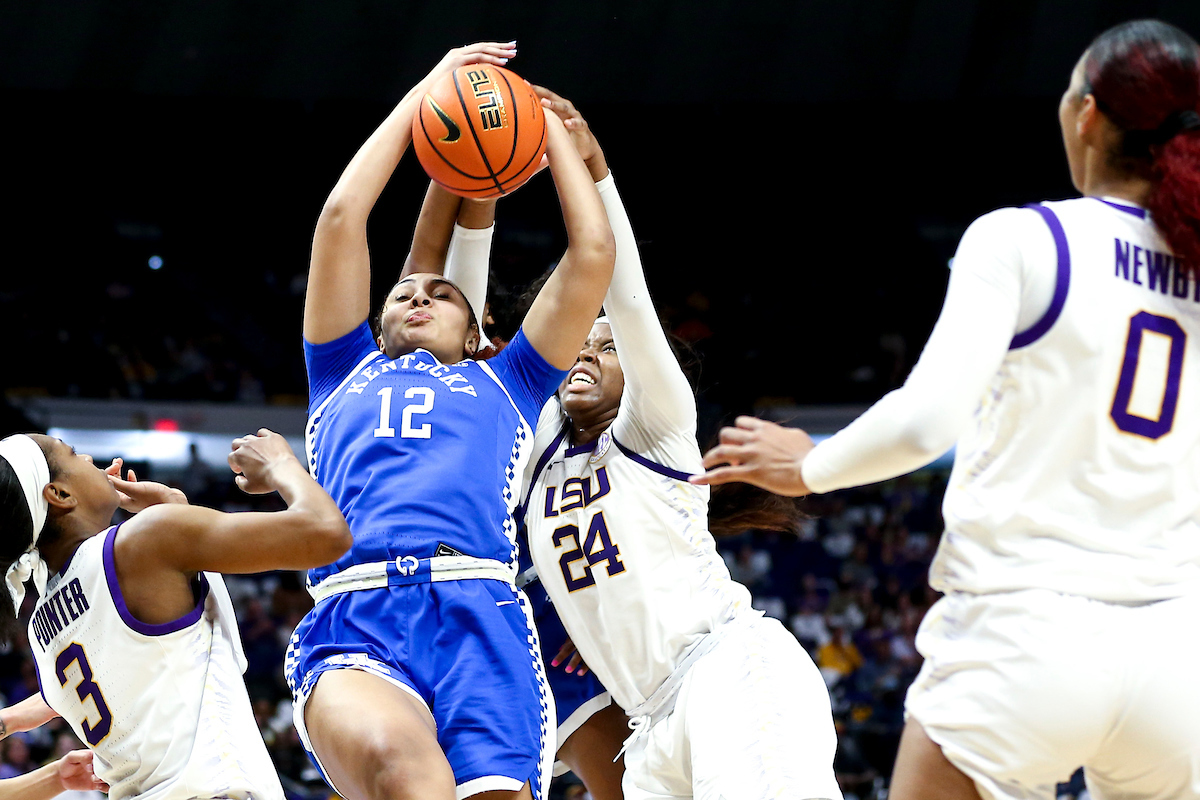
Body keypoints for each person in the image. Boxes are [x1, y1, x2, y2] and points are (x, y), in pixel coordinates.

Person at [696, 18, 1200, 800]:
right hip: (1176, 654)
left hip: (1026, 635)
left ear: (1088, 115)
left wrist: (809, 466)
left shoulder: (1027, 239)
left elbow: (927, 423)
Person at [443, 88, 842, 800]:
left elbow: (626, 298)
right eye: (577, 345)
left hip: (730, 675)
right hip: (652, 727)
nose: (586, 353)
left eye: (606, 347)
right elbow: (459, 332)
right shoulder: (536, 460)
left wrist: (595, 173)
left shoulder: (656, 429)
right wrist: (476, 196)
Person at [289, 42, 615, 800]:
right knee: (407, 775)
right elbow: (342, 217)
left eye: (443, 294)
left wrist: (551, 134)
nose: (419, 294)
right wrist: (428, 92)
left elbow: (591, 254)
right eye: (405, 293)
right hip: (358, 607)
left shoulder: (510, 381)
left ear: (477, 336)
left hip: (481, 611)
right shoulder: (342, 371)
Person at [0, 429, 351, 800]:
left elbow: (148, 669)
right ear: (59, 495)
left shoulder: (41, 626)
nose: (88, 459)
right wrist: (281, 462)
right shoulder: (142, 542)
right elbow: (327, 534)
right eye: (73, 453)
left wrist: (173, 508)